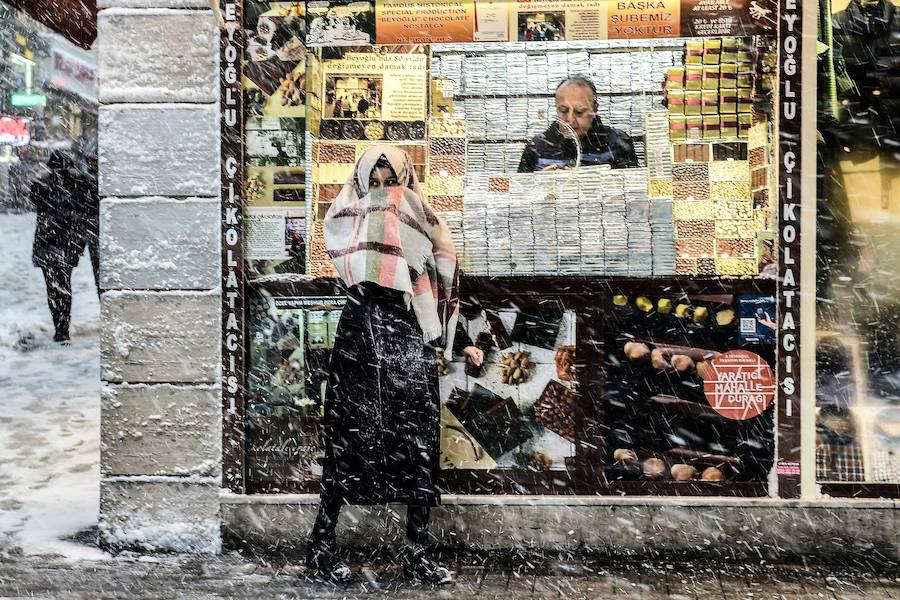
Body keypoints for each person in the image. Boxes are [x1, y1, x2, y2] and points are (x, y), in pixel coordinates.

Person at [309, 145, 483, 584]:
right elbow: (363, 265)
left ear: (407, 183)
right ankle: (321, 547)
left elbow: (436, 288)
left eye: (394, 184)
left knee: (417, 440)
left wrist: (460, 340)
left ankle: (416, 552)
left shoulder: (424, 220)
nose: (386, 195)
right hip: (362, 335)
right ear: (362, 185)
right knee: (349, 441)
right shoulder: (345, 218)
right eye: (376, 184)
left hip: (408, 333)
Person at [31, 150, 92, 344]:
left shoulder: (43, 185)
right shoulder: (79, 186)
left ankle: (60, 327)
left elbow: (34, 198)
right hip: (67, 245)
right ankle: (63, 327)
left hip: (47, 244)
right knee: (64, 285)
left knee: (53, 288)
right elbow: (84, 211)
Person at [518, 76, 639, 173]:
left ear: (594, 109)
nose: (570, 119)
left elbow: (632, 192)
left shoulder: (617, 143)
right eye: (563, 111)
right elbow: (518, 194)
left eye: (579, 112)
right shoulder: (538, 146)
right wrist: (541, 186)